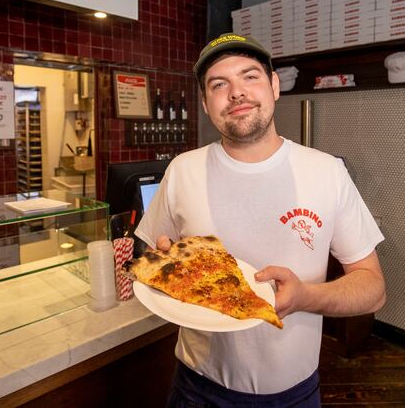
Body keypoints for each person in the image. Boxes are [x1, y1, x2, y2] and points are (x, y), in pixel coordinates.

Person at [135, 32, 386, 407]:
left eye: (250, 76)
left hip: (293, 394)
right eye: (219, 84)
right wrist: (170, 265)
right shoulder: (182, 170)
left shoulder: (326, 171)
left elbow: (373, 289)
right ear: (206, 103)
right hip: (197, 388)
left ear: (274, 86)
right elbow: (153, 256)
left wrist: (305, 296)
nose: (236, 92)